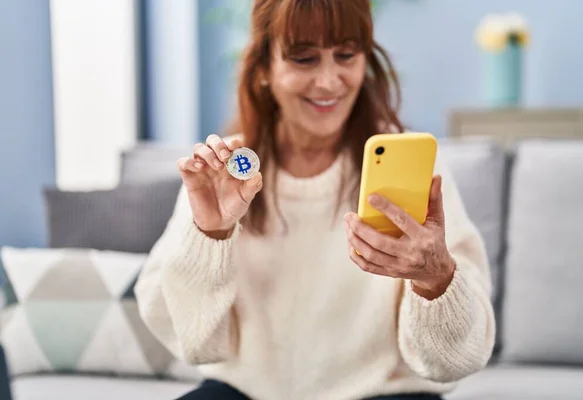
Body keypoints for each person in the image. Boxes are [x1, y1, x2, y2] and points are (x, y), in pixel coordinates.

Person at [134, 0, 496, 399]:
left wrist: (436, 281)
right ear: (264, 70)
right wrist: (210, 233)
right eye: (304, 59)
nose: (328, 82)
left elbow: (457, 361)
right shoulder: (223, 175)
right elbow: (193, 343)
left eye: (346, 55)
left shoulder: (416, 169)